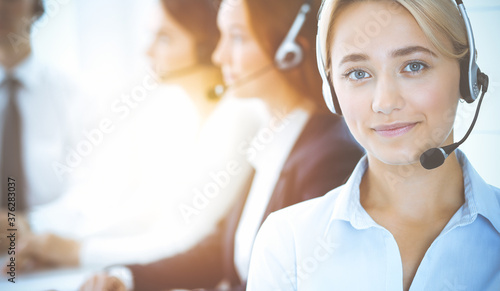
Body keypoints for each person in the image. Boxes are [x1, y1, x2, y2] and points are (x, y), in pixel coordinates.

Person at [78, 0, 363, 290]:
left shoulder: (330, 156)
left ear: (290, 51)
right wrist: (126, 278)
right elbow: (219, 252)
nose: (218, 55)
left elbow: (295, 282)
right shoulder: (272, 139)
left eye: (237, 38)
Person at [247, 0, 500, 290]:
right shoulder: (288, 243)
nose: (385, 102)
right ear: (332, 91)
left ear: (467, 75)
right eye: (358, 73)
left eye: (414, 66)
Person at [12, 0, 267, 270]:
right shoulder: (181, 115)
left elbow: (183, 238)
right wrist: (41, 236)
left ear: (207, 48)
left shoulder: (237, 118)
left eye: (164, 39)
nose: (147, 51)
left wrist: (78, 252)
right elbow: (142, 212)